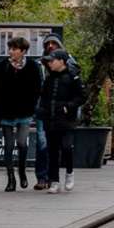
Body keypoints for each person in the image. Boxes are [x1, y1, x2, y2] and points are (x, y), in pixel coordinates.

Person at [0, 37, 43, 192]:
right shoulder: (2, 67)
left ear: (23, 51)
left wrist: (31, 104)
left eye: (14, 49)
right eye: (10, 48)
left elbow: (37, 87)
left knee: (21, 143)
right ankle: (10, 178)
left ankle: (22, 171)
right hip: (6, 112)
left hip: (24, 111)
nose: (11, 51)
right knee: (8, 145)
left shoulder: (33, 66)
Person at [37, 47, 85, 194]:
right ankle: (54, 181)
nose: (50, 63)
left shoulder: (72, 77)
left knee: (66, 147)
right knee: (52, 151)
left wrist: (68, 107)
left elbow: (82, 96)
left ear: (62, 61)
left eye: (53, 61)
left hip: (66, 120)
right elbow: (43, 97)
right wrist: (42, 111)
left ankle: (69, 173)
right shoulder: (49, 79)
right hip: (50, 120)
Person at [32, 36, 76, 190]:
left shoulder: (71, 67)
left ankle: (65, 174)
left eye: (54, 44)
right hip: (46, 112)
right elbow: (39, 90)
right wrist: (39, 110)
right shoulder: (40, 64)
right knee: (44, 144)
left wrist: (70, 108)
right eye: (47, 44)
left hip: (64, 116)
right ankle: (46, 178)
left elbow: (78, 94)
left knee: (65, 147)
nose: (50, 46)